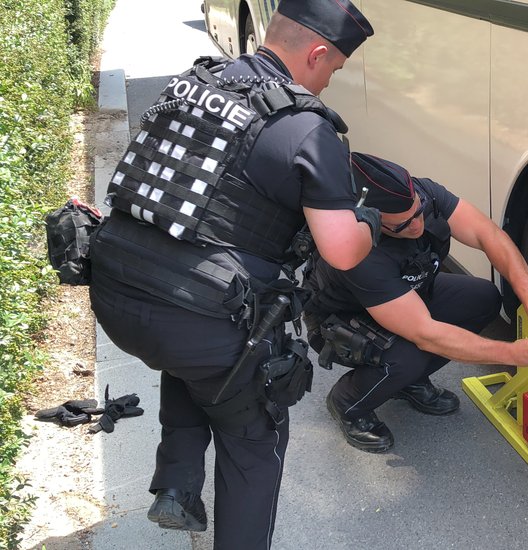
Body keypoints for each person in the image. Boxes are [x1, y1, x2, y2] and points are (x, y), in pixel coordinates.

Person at [88, 1, 377, 548]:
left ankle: (177, 482)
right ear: (317, 53)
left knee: (200, 335)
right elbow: (341, 252)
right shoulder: (304, 128)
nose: (330, 81)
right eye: (333, 68)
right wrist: (366, 223)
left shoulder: (196, 79)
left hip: (116, 288)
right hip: (194, 319)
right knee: (253, 437)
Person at [302, 153, 528, 453]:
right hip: (343, 320)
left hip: (405, 293)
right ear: (371, 220)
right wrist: (511, 353)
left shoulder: (423, 194)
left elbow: (486, 233)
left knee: (484, 298)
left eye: (419, 212)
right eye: (402, 226)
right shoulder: (361, 254)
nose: (417, 226)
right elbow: (426, 334)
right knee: (409, 356)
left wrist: (526, 287)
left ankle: (408, 383)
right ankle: (347, 402)